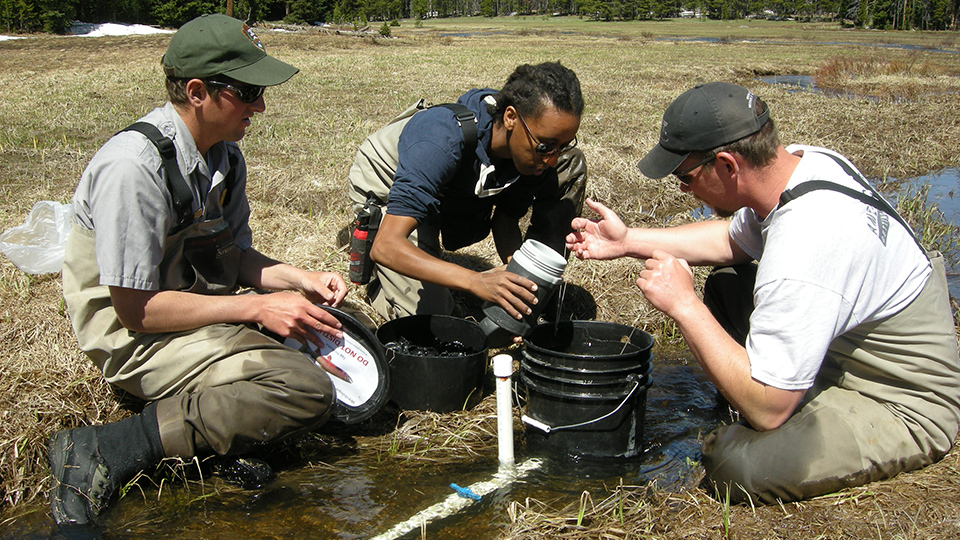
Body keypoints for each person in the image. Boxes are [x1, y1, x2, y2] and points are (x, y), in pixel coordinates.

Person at [566, 82, 960, 504]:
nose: (684, 190)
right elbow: (729, 242)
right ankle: (770, 386)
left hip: (898, 398)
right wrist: (627, 241)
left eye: (685, 177)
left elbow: (769, 412)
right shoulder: (802, 166)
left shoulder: (806, 243)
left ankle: (762, 400)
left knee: (737, 466)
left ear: (727, 165)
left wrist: (684, 305)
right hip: (842, 346)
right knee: (728, 282)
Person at [49, 14, 348, 530]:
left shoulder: (224, 158)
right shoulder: (133, 168)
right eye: (249, 90)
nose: (260, 105)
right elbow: (134, 311)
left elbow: (234, 257)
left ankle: (214, 434)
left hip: (191, 311)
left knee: (320, 333)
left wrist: (298, 278)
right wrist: (257, 306)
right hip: (136, 334)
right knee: (306, 388)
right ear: (197, 92)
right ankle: (107, 447)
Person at [348, 62, 587, 322]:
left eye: (563, 144)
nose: (552, 159)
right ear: (510, 118)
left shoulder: (532, 151)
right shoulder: (441, 138)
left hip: (452, 181)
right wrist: (476, 280)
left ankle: (544, 292)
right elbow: (387, 246)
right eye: (546, 146)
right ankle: (377, 278)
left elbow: (505, 219)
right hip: (388, 177)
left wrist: (522, 277)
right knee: (434, 317)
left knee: (569, 163)